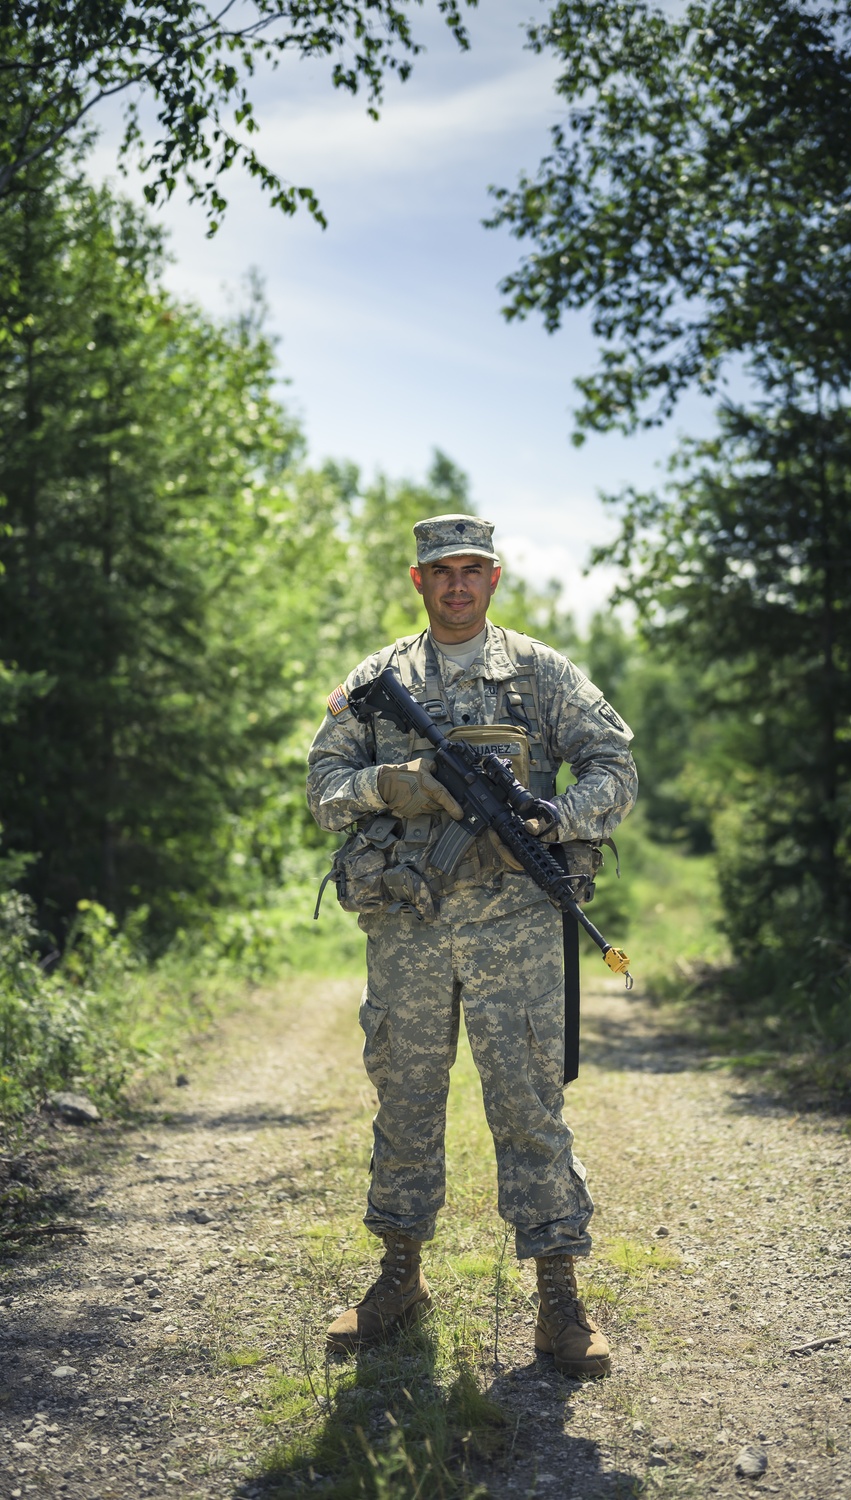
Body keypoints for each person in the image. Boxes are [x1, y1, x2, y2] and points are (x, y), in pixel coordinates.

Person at [306, 513, 637, 1378]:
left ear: (495, 579)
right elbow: (324, 785)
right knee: (406, 1101)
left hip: (518, 928)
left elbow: (614, 762)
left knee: (530, 1107)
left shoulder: (537, 672)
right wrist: (398, 785)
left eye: (472, 570)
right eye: (441, 571)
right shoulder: (378, 679)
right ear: (419, 581)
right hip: (408, 926)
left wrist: (555, 817)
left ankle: (559, 1301)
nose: (457, 583)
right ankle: (398, 1281)